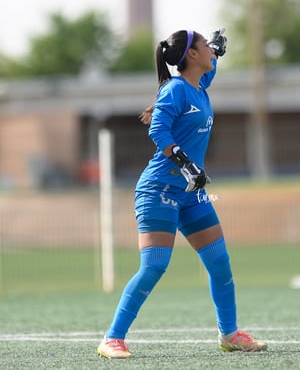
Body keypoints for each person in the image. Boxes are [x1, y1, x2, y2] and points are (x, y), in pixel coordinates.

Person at [97, 28, 267, 358]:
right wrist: (185, 162)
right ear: (191, 55)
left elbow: (212, 65)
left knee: (219, 261)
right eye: (205, 46)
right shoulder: (176, 90)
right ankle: (112, 339)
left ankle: (229, 334)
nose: (211, 52)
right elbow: (157, 129)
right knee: (155, 265)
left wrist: (216, 50)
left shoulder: (199, 85)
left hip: (190, 193)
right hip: (159, 189)